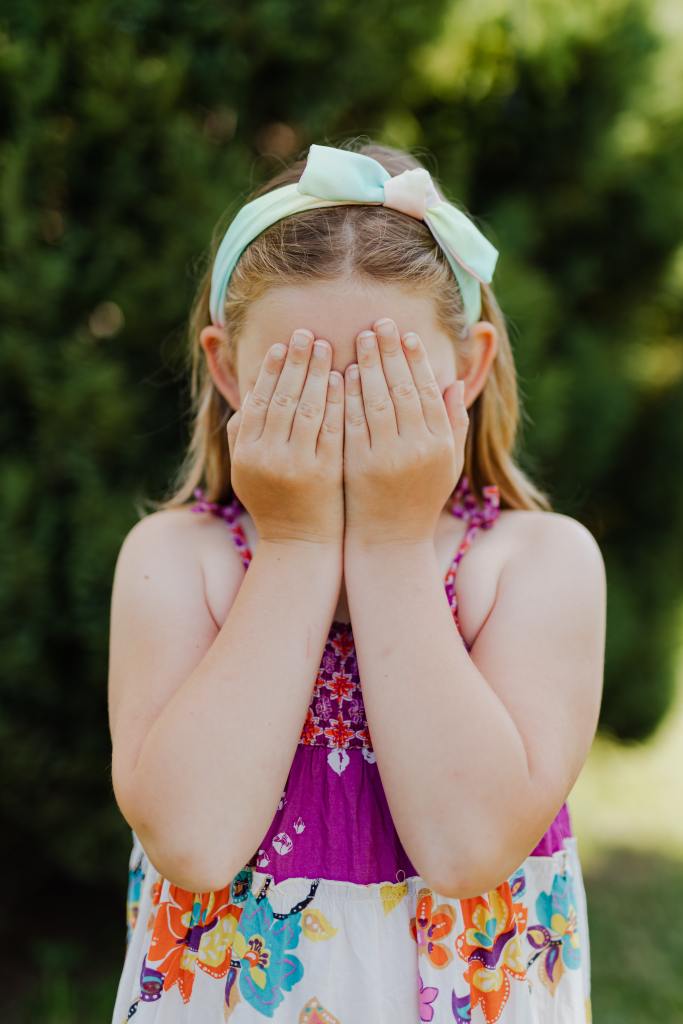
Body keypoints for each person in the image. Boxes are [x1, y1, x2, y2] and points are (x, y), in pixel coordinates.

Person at [108, 141, 605, 1023]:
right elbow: (193, 841)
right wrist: (296, 542)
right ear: (227, 370)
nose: (342, 413)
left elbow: (466, 848)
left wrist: (389, 542)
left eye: (387, 381)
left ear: (467, 368)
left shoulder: (536, 564)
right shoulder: (177, 559)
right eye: (297, 380)